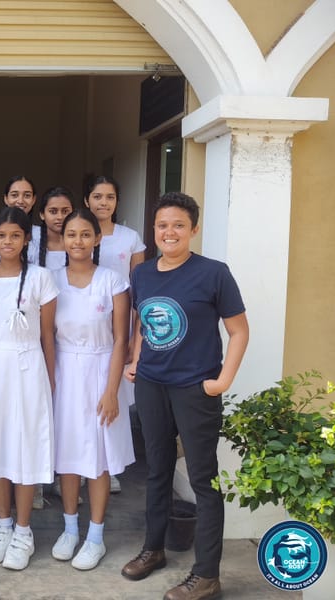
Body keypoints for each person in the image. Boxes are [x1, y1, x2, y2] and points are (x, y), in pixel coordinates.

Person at [122, 192, 249, 600]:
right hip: (152, 385)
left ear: (194, 229)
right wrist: (136, 360)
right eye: (162, 225)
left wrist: (222, 381)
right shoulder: (142, 273)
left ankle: (207, 575)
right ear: (153, 231)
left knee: (202, 480)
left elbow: (239, 331)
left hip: (195, 388)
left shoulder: (213, 273)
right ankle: (153, 549)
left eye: (178, 224)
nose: (169, 232)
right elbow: (142, 321)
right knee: (156, 470)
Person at [50, 208, 133, 571]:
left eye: (86, 234)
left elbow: (121, 340)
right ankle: (70, 529)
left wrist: (112, 390)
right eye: (72, 234)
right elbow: (46, 338)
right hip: (64, 373)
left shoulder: (112, 281)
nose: (78, 241)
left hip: (101, 371)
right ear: (62, 240)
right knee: (68, 458)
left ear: (97, 239)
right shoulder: (50, 280)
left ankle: (95, 536)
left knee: (97, 460)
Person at [0, 207, 58, 571]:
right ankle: (4, 524)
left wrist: (51, 382)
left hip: (27, 369)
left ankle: (24, 531)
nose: (7, 242)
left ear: (27, 239)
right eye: (0, 235)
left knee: (24, 447)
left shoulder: (41, 278)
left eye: (14, 235)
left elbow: (48, 336)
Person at [85, 175, 146, 495]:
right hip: (84, 327)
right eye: (97, 196)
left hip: (119, 325)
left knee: (112, 397)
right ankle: (80, 464)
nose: (103, 203)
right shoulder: (79, 232)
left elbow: (139, 287)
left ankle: (108, 465)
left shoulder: (130, 237)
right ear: (87, 201)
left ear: (117, 202)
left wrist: (135, 338)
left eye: (109, 197)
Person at [2, 175, 41, 264]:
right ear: (6, 199)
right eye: (14, 195)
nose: (20, 200)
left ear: (34, 199)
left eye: (27, 195)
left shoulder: (41, 233)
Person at [36, 186, 74, 270]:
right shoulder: (32, 246)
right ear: (42, 214)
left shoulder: (80, 245)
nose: (60, 217)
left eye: (65, 211)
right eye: (53, 212)